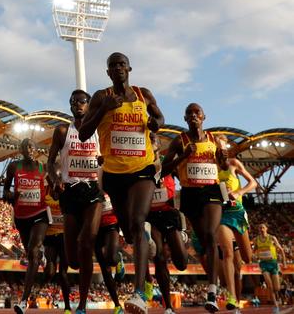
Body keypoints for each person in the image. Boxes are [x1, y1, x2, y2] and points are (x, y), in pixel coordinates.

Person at [79, 52, 165, 314]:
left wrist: (154, 123)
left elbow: (160, 119)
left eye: (121, 64)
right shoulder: (100, 97)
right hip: (115, 174)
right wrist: (104, 109)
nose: (117, 68)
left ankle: (139, 293)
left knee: (138, 223)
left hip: (143, 168)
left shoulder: (143, 94)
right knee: (129, 232)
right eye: (112, 65)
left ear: (129, 68)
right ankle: (145, 271)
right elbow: (83, 133)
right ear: (107, 72)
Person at [162, 103, 226, 313]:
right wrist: (183, 156)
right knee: (203, 241)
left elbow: (223, 165)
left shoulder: (212, 139)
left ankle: (212, 292)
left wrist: (223, 159)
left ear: (204, 116)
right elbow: (164, 170)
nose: (193, 115)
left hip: (212, 191)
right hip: (190, 194)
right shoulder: (179, 141)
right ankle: (213, 258)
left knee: (209, 234)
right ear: (184, 118)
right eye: (189, 113)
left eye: (197, 112)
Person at [48, 89, 103, 314]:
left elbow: (110, 154)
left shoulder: (99, 130)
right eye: (73, 102)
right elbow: (51, 162)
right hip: (70, 192)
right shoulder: (62, 131)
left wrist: (104, 161)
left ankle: (81, 305)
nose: (77, 105)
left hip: (92, 190)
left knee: (86, 240)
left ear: (89, 105)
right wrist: (55, 179)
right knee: (73, 261)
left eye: (82, 102)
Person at [4, 138, 48, 314]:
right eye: (25, 147)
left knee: (33, 251)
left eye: (31, 146)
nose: (29, 149)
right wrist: (13, 194)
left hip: (40, 214)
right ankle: (41, 253)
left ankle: (23, 302)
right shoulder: (14, 167)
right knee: (31, 254)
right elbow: (5, 192)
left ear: (35, 149)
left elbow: (53, 185)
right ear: (21, 150)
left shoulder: (42, 167)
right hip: (22, 217)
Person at [146, 134, 188, 314]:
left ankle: (183, 234)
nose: (150, 144)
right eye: (147, 141)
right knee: (159, 258)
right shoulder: (139, 162)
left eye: (152, 141)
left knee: (182, 263)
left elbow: (184, 179)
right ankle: (168, 306)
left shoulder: (166, 160)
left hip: (169, 214)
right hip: (151, 216)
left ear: (158, 144)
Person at [217, 148, 257, 311]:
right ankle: (231, 296)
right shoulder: (211, 168)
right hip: (221, 213)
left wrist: (239, 191)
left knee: (247, 258)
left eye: (224, 146)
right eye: (218, 147)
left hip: (237, 212)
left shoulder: (234, 163)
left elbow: (253, 182)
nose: (222, 150)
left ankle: (242, 257)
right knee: (227, 253)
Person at [42, 174, 71, 314]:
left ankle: (67, 307)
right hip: (49, 237)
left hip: (64, 237)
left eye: (58, 183)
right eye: (54, 183)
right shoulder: (45, 191)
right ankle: (46, 270)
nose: (56, 186)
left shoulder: (67, 192)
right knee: (50, 271)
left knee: (63, 274)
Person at [96, 193, 125, 314]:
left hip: (111, 223)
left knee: (112, 259)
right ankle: (117, 305)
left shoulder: (110, 179)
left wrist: (122, 230)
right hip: (94, 227)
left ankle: (118, 258)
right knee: (105, 269)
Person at [254, 223, 287, 313]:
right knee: (269, 285)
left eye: (263, 227)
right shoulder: (256, 239)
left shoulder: (272, 238)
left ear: (266, 229)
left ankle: (278, 295)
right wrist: (255, 257)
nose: (261, 229)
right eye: (259, 227)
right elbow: (253, 251)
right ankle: (275, 304)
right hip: (263, 264)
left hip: (273, 263)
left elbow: (281, 250)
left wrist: (284, 262)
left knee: (277, 288)